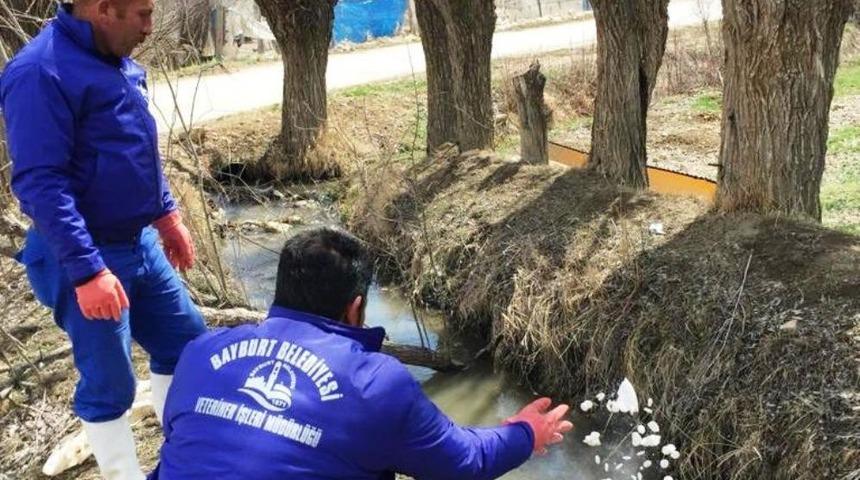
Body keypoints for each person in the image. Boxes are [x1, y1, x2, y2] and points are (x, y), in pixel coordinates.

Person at [152, 227, 573, 479]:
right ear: (355, 307)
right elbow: (462, 462)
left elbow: (184, 440)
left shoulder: (201, 351)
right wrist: (525, 433)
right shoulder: (375, 383)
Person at [0, 0, 207, 478]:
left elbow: (133, 148)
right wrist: (89, 271)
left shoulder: (113, 59)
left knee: (186, 343)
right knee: (109, 383)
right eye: (142, 14)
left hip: (138, 241)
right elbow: (40, 184)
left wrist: (166, 215)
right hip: (81, 252)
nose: (150, 27)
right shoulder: (40, 72)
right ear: (103, 9)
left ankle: (179, 458)